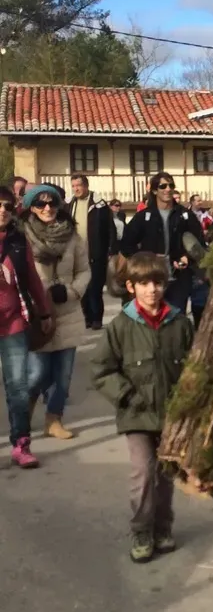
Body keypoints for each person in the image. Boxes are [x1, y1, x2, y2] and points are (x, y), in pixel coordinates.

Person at [91, 251, 194, 562]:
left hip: (172, 415)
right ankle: (141, 529)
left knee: (166, 476)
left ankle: (163, 528)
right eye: (144, 283)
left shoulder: (180, 324)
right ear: (131, 286)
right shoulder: (121, 326)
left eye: (158, 282)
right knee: (143, 473)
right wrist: (126, 396)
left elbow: (194, 367)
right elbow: (101, 369)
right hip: (136, 415)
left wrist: (189, 404)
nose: (152, 290)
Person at [22, 184, 91, 440]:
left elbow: (85, 270)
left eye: (52, 203)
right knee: (37, 374)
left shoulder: (73, 236)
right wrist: (35, 299)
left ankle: (54, 419)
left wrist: (72, 291)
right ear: (32, 208)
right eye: (41, 204)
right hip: (38, 313)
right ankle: (23, 414)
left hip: (68, 311)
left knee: (63, 375)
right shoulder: (23, 238)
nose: (48, 208)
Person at [0, 185, 53, 468]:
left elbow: (32, 277)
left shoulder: (19, 241)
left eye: (8, 207)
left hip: (13, 323)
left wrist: (44, 313)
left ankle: (21, 444)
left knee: (18, 387)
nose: (3, 211)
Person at [119, 173, 205, 314]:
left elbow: (200, 244)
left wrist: (187, 258)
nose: (168, 189)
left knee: (176, 317)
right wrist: (146, 259)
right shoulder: (143, 217)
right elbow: (126, 245)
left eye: (171, 185)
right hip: (151, 278)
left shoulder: (186, 216)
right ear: (154, 191)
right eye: (163, 186)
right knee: (152, 317)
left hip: (179, 278)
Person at [69, 173, 116, 331]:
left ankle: (97, 319)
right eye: (73, 186)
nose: (76, 189)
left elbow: (110, 229)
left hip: (96, 253)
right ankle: (86, 318)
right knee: (81, 288)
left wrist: (111, 250)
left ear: (86, 186)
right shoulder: (69, 204)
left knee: (95, 288)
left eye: (78, 185)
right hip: (76, 254)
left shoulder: (99, 205)